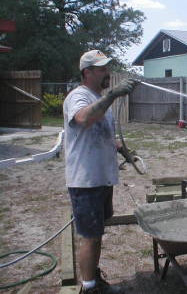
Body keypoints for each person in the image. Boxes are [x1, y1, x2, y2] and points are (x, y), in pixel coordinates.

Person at [63, 50, 139, 294]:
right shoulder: (79, 96)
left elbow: (102, 134)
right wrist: (114, 94)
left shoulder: (98, 98)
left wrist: (124, 151)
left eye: (107, 67)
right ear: (87, 72)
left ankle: (93, 278)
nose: (107, 73)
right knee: (90, 236)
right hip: (86, 181)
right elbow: (84, 118)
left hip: (102, 178)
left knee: (97, 232)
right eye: (102, 69)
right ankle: (89, 288)